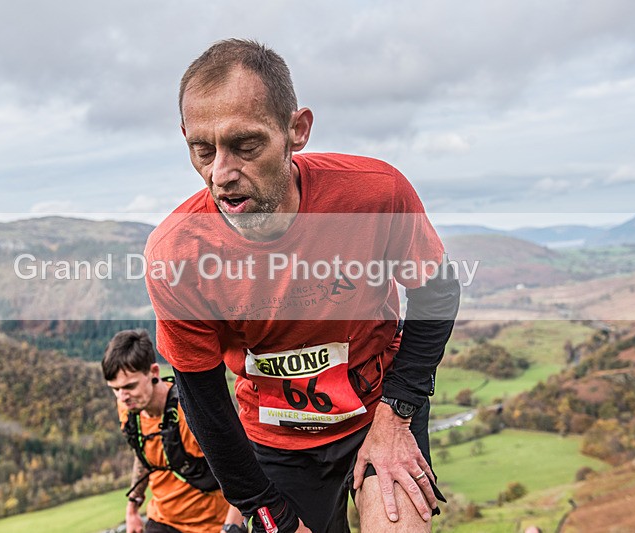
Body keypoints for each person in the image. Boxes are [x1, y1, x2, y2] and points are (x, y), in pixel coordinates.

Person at [144, 39, 460, 533]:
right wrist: (261, 507)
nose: (221, 174)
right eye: (202, 151)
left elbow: (436, 294)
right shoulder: (177, 253)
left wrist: (397, 412)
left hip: (378, 408)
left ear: (297, 129)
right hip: (277, 443)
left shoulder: (374, 193)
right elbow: (201, 395)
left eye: (246, 147)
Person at [102, 329, 247, 533]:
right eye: (115, 389)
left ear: (154, 372)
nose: (123, 397)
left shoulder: (192, 414)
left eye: (130, 386)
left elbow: (240, 469)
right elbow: (143, 452)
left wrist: (232, 527)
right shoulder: (130, 411)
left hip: (210, 526)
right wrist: (132, 509)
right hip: (161, 521)